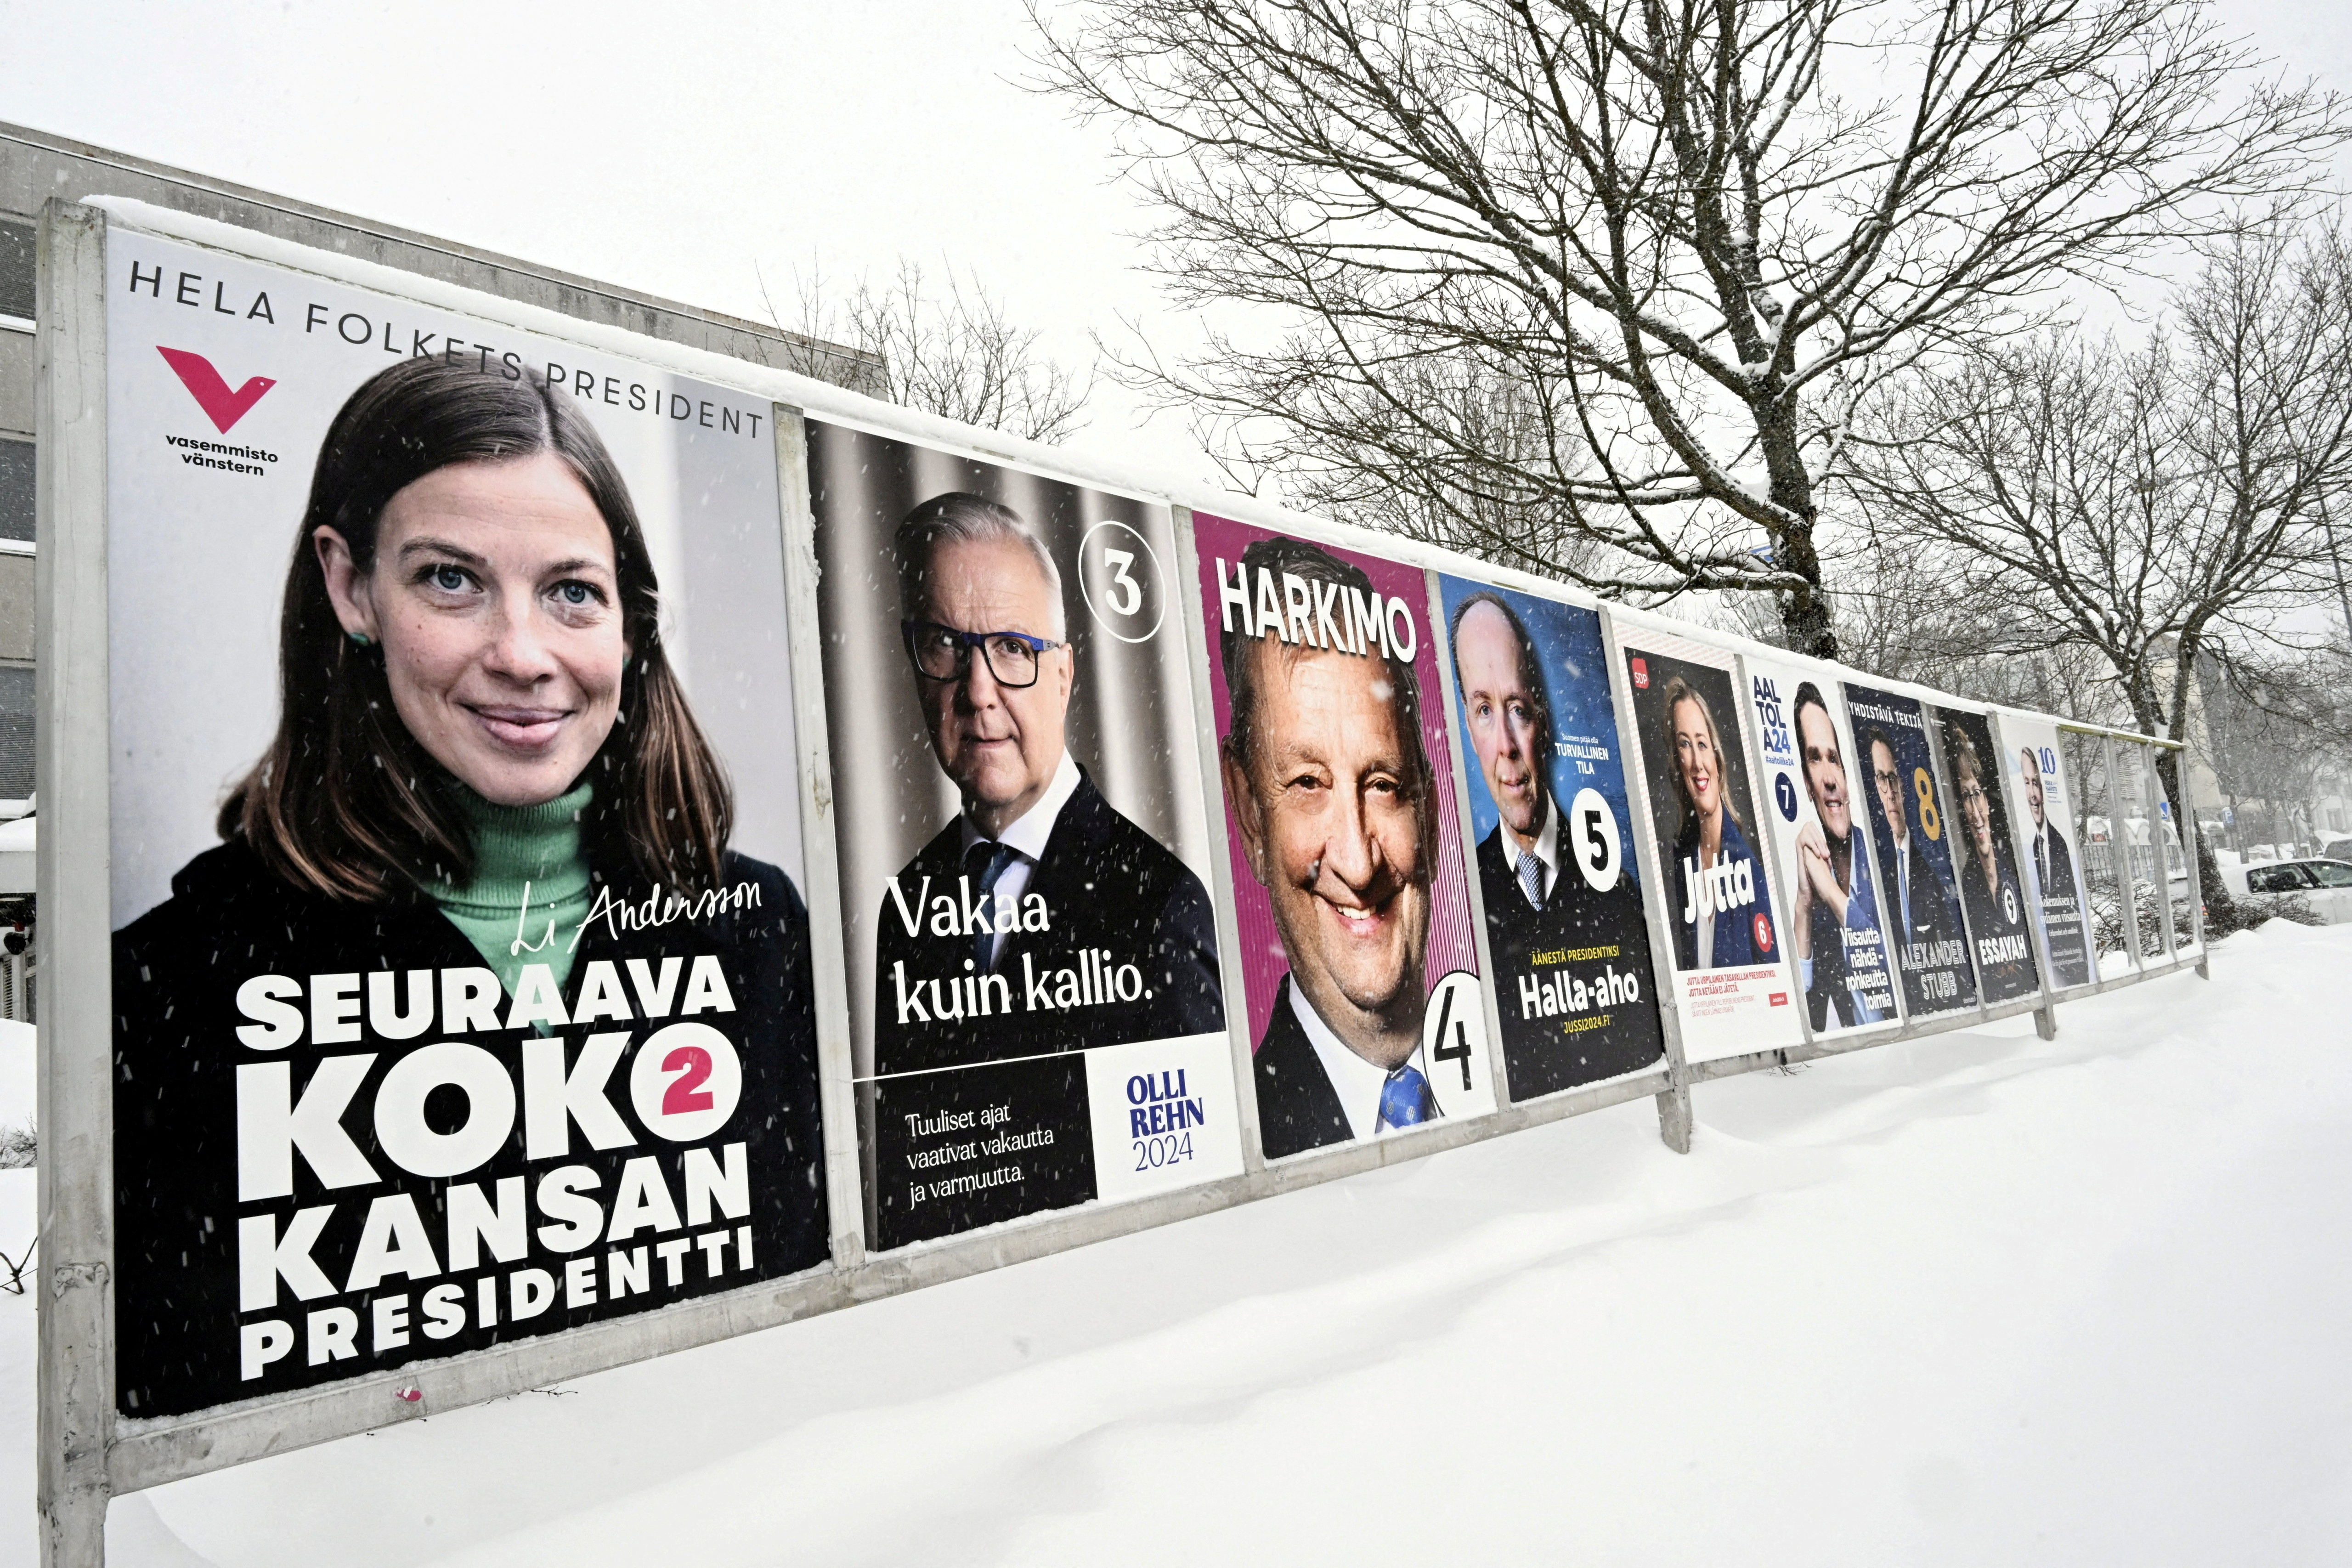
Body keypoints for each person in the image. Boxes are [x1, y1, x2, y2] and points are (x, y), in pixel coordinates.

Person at [112, 357, 824, 1419]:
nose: (522, 654)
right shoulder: (178, 976)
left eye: (571, 592)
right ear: (351, 586)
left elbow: (805, 1310)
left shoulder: (753, 927)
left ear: (629, 623)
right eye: (452, 579)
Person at [873, 493, 1221, 1076]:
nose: (977, 691)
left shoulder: (1160, 902)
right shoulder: (906, 904)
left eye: (1012, 648)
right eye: (946, 645)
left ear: (1062, 676)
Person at [1222, 537, 1439, 1160]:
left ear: (1426, 806)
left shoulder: (1523, 1052)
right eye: (1307, 783)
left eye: (1384, 784)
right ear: (1250, 813)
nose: (1358, 863)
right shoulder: (1246, 1142)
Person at [1450, 592, 1657, 1083]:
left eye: (1517, 709)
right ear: (1468, 726)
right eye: (1484, 710)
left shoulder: (1616, 892)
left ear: (1542, 722)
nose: (1505, 745)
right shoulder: (1461, 906)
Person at [1787, 684, 1888, 1028]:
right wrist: (1804, 905)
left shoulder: (1883, 858)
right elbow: (1801, 1011)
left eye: (1834, 759)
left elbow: (1896, 973)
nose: (1829, 779)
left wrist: (1832, 894)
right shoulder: (1816, 884)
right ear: (1806, 782)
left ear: (1846, 774)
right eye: (1815, 759)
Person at [1659, 674, 1776, 970]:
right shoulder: (1683, 860)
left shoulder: (1748, 868)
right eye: (1685, 745)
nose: (1697, 763)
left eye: (1702, 744)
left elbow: (1773, 973)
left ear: (1717, 758)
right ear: (1677, 763)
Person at [1861, 725, 1973, 1004]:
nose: (1890, 792)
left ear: (1903, 786)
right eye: (1881, 780)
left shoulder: (1931, 868)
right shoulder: (1882, 872)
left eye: (1893, 779)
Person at [1949, 726, 2037, 997]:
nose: (1976, 813)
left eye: (1977, 794)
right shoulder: (1966, 886)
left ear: (1987, 800)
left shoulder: (2015, 866)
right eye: (1966, 797)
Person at [2018, 746, 2078, 909]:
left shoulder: (2060, 843)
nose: (2032, 795)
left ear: (2043, 790)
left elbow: (2072, 902)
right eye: (2027, 783)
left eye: (2035, 784)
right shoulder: (2032, 845)